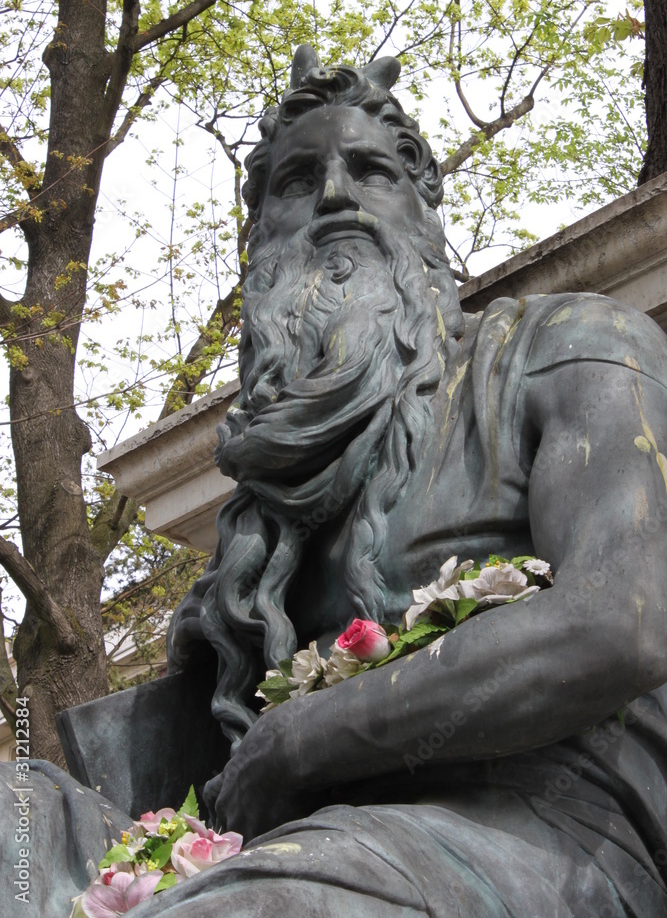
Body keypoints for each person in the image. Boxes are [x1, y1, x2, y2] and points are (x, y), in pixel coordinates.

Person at [3, 47, 667, 917]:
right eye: (295, 180)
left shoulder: (565, 346)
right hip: (285, 843)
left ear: (425, 216)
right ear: (261, 240)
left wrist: (300, 742)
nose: (333, 196)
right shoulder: (261, 505)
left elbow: (620, 621)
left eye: (369, 170)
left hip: (542, 828)